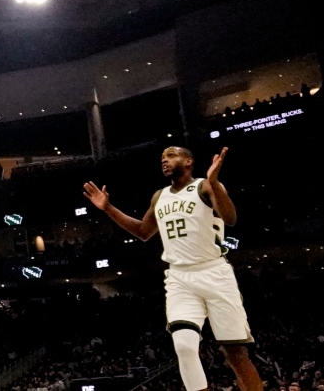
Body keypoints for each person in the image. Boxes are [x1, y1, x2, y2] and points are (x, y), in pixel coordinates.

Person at [83, 146, 263, 391]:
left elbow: (230, 219)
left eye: (171, 156)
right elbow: (144, 232)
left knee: (235, 354)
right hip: (179, 277)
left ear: (188, 161)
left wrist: (214, 181)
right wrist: (108, 208)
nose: (164, 161)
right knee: (184, 347)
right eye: (162, 158)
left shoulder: (206, 186)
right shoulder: (160, 196)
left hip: (214, 272)